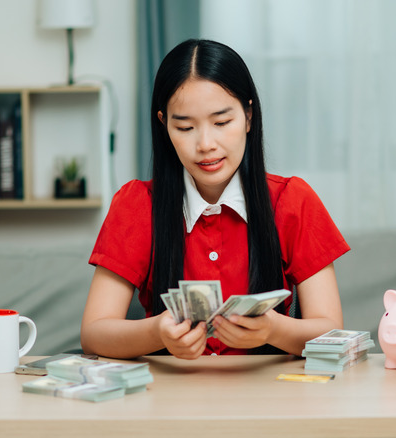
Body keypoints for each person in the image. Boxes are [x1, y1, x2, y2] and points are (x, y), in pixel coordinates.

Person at [80, 39, 349, 359]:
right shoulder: (137, 205)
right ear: (164, 125)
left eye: (222, 122)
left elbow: (332, 331)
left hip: (270, 397)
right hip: (169, 400)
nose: (206, 144)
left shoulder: (292, 200)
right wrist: (156, 332)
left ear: (249, 117)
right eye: (185, 127)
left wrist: (274, 330)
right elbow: (94, 333)